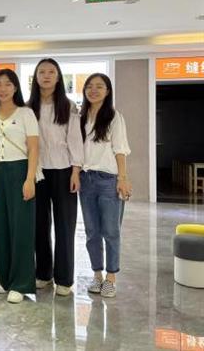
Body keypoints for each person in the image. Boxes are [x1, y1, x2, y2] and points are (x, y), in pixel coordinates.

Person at [0, 69, 39, 304]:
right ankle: (5, 279)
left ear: (15, 87)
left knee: (22, 228)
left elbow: (33, 148)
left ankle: (21, 283)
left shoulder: (26, 113)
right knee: (1, 227)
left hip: (20, 170)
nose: (2, 89)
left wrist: (29, 179)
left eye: (7, 84)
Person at [26, 58, 83, 296]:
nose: (46, 76)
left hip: (63, 170)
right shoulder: (28, 107)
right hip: (37, 172)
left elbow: (75, 140)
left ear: (58, 77)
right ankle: (43, 273)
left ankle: (64, 279)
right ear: (36, 77)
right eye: (42, 72)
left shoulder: (67, 106)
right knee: (39, 225)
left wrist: (76, 171)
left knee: (65, 226)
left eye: (51, 72)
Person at [79, 73, 131, 298]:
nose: (93, 90)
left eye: (99, 86)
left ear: (107, 91)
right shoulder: (80, 117)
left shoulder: (114, 117)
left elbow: (120, 149)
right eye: (89, 86)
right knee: (92, 232)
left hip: (108, 180)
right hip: (85, 179)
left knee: (111, 231)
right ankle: (97, 275)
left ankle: (111, 278)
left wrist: (123, 178)